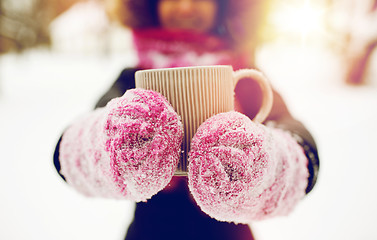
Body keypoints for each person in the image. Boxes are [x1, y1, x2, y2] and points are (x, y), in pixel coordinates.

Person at [53, 0, 320, 239]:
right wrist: (112, 145)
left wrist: (264, 164)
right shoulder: (134, 79)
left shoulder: (243, 79)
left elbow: (299, 145)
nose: (185, 7)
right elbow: (73, 149)